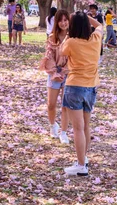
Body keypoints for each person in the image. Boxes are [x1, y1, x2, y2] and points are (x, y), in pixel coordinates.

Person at [61, 11, 103, 177]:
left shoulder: (71, 42)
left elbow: (62, 52)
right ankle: (83, 159)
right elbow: (99, 25)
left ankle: (80, 165)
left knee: (77, 128)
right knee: (85, 126)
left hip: (74, 87)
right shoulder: (95, 39)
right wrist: (87, 18)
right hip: (91, 88)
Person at [39, 9, 70, 144]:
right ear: (56, 22)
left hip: (68, 74)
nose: (63, 23)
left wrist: (64, 71)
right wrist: (54, 72)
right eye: (60, 20)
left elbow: (74, 57)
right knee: (51, 104)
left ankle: (63, 132)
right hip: (54, 74)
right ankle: (53, 126)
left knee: (65, 105)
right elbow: (49, 56)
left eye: (65, 20)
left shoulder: (73, 38)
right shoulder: (52, 38)